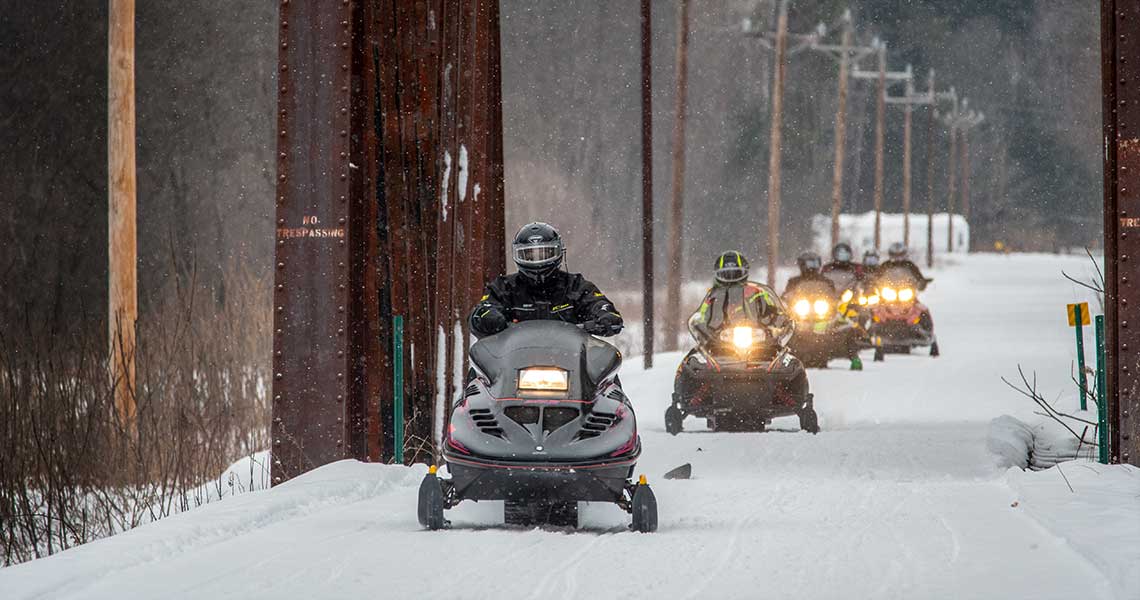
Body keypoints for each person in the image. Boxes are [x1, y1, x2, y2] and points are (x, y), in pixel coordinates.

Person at [469, 222, 623, 338]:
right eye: (529, 255)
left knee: (604, 374)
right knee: (481, 375)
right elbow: (484, 308)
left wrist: (606, 317)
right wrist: (488, 317)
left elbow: (598, 304)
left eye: (544, 253)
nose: (537, 261)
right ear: (517, 256)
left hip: (569, 359)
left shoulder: (576, 286)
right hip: (513, 362)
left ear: (558, 252)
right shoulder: (504, 287)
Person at [688, 251, 791, 346]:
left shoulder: (759, 293)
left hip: (759, 342)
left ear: (744, 272)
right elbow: (702, 317)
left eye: (736, 273)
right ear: (718, 274)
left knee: (787, 359)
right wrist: (704, 329)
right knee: (694, 360)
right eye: (726, 273)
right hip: (722, 344)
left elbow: (776, 312)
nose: (731, 277)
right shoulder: (713, 297)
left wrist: (774, 327)